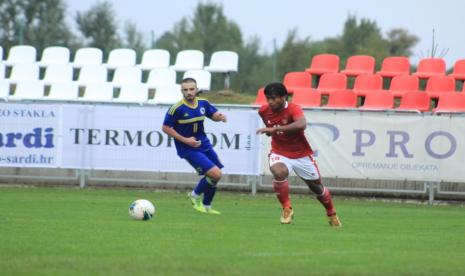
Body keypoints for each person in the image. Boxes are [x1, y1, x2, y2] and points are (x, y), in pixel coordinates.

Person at [256, 82, 341, 227]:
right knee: (278, 171)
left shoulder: (294, 109)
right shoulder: (263, 111)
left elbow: (301, 124)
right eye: (268, 98)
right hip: (280, 152)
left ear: (284, 97)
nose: (270, 102)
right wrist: (272, 132)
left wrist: (275, 130)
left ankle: (331, 213)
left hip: (301, 155)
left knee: (317, 187)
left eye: (273, 98)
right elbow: (272, 129)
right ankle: (287, 208)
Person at [162, 78, 227, 214]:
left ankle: (207, 206)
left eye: (192, 89)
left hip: (203, 143)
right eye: (185, 90)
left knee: (216, 176)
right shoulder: (176, 109)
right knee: (216, 174)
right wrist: (185, 140)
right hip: (187, 147)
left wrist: (219, 116)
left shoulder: (203, 103)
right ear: (181, 91)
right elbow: (166, 128)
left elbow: (212, 114)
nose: (189, 92)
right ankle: (194, 195)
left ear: (196, 90)